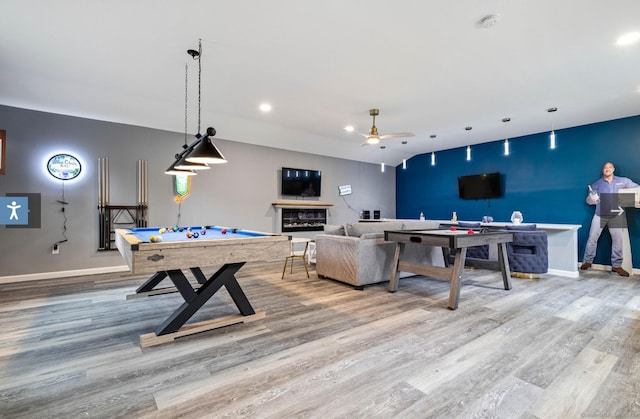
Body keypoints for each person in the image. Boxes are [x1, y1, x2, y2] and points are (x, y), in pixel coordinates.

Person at [581, 162, 639, 276]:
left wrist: (638, 200)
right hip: (599, 215)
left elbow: (637, 189)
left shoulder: (623, 181)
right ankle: (587, 261)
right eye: (605, 168)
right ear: (603, 170)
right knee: (592, 239)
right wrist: (592, 199)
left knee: (618, 241)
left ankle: (616, 266)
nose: (607, 169)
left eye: (609, 167)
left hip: (616, 215)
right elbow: (588, 200)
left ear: (613, 169)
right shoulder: (596, 184)